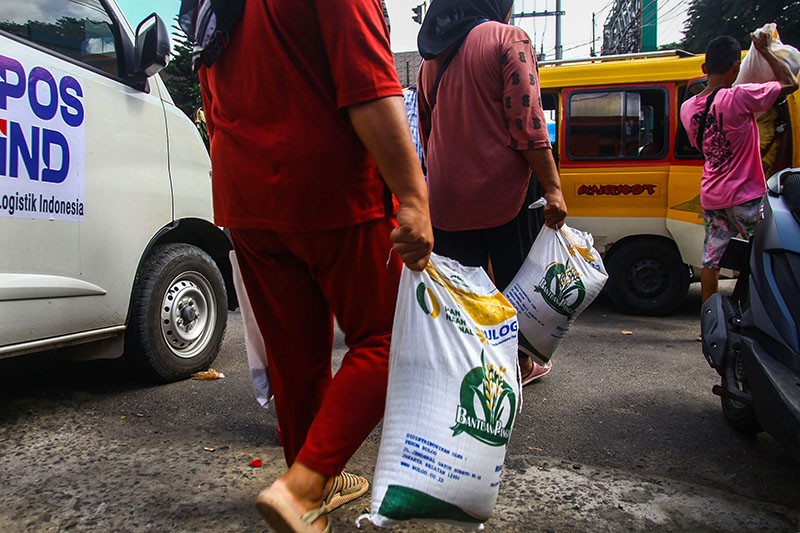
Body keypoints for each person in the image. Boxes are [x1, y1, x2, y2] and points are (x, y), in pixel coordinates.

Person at [195, 1, 434, 531]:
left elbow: (213, 106)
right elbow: (369, 89)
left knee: (295, 356)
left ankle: (308, 486)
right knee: (391, 338)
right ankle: (304, 484)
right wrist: (413, 197)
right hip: (330, 191)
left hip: (248, 200)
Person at [416, 0, 567, 385]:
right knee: (516, 291)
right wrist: (552, 189)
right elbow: (528, 123)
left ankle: (466, 370)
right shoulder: (508, 39)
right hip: (504, 197)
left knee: (463, 294)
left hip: (446, 202)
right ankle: (516, 367)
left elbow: (426, 133)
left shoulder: (429, 61)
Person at [679, 34, 798, 304]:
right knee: (763, 255)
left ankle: (709, 325)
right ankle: (758, 314)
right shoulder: (740, 97)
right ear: (735, 69)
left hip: (713, 196)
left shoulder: (687, 109)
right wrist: (766, 52)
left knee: (711, 261)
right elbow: (790, 83)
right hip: (746, 197)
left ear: (704, 69)